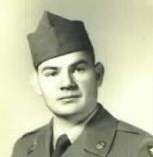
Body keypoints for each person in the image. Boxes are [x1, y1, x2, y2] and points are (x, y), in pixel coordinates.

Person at [11, 11, 153, 157]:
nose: (66, 83)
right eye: (52, 73)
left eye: (78, 70)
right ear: (36, 84)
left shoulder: (136, 149)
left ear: (98, 75)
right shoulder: (24, 148)